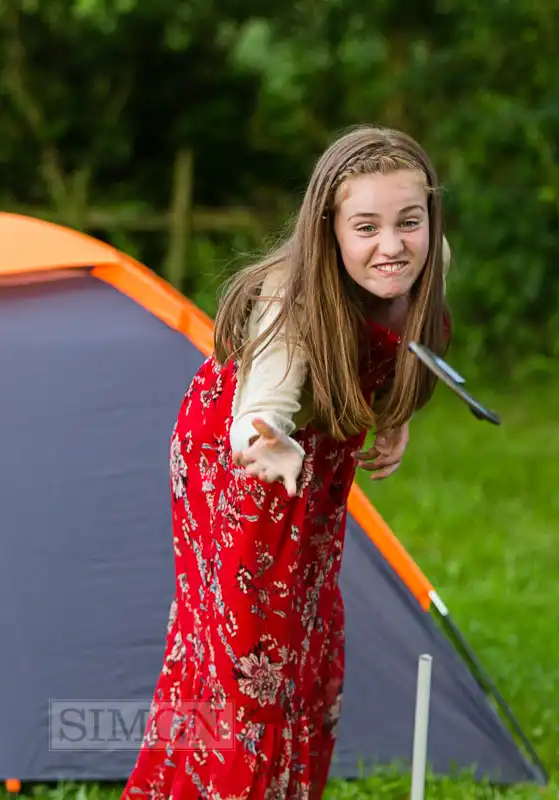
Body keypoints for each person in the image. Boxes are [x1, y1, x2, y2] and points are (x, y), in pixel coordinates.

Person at [121, 125, 453, 799]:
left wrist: (394, 418)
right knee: (251, 655)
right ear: (327, 229)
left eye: (408, 222)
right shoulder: (293, 299)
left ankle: (287, 787)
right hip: (242, 458)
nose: (392, 245)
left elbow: (406, 338)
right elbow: (266, 394)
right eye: (366, 227)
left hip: (313, 454)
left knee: (311, 631)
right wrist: (264, 434)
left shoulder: (428, 258)